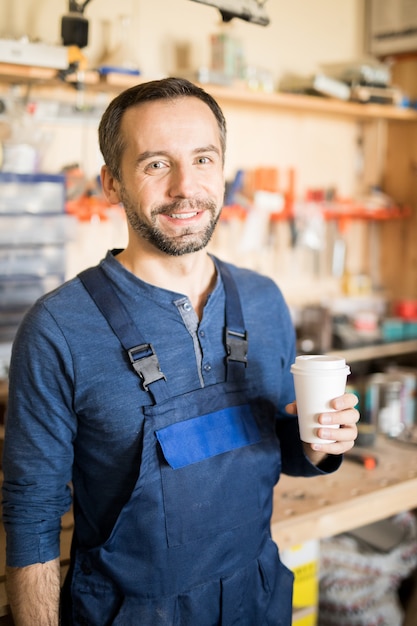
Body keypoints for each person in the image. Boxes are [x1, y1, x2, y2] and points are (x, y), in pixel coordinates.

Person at [2, 77, 359, 626]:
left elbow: (282, 448)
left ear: (222, 170)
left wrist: (320, 445)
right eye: (155, 164)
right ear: (112, 183)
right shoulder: (58, 328)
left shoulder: (264, 301)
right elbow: (31, 512)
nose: (184, 188)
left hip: (255, 601)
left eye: (202, 159)